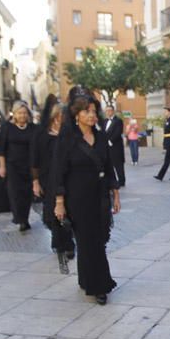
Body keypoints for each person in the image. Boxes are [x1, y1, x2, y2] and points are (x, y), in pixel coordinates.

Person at [53, 97, 120, 305]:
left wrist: (115, 194)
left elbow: (109, 166)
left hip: (100, 196)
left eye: (93, 111)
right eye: (86, 112)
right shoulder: (67, 139)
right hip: (77, 197)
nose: (91, 115)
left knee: (97, 239)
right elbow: (58, 172)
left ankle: (85, 278)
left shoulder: (100, 137)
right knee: (87, 241)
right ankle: (99, 286)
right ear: (76, 115)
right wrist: (59, 201)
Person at [32, 102, 75, 272]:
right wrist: (35, 181)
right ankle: (59, 242)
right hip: (47, 178)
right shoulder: (41, 135)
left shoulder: (70, 135)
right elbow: (34, 159)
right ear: (56, 116)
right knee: (53, 210)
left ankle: (68, 243)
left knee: (68, 209)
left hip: (67, 177)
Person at [0, 100, 37, 232]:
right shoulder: (7, 128)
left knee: (27, 193)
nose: (22, 115)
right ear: (14, 114)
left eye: (24, 113)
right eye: (19, 113)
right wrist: (2, 166)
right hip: (12, 165)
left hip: (28, 165)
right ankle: (19, 218)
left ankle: (25, 218)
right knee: (15, 193)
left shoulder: (33, 128)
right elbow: (2, 149)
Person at [103, 105, 126, 187]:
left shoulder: (118, 121)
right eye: (106, 111)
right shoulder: (104, 121)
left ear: (113, 111)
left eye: (109, 110)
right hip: (106, 147)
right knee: (108, 164)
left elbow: (118, 132)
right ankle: (111, 181)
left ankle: (121, 181)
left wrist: (110, 141)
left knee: (118, 165)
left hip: (116, 146)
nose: (108, 112)